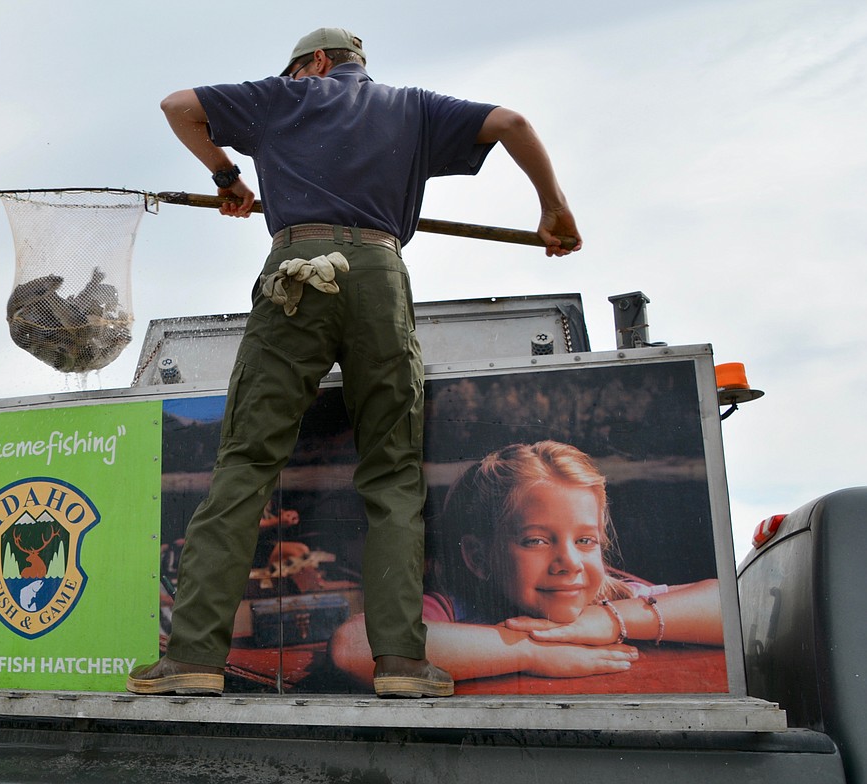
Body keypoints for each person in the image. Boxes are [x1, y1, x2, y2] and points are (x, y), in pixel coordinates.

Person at [127, 27, 582, 699]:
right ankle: (400, 663)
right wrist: (553, 206)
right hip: (378, 271)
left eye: (294, 71)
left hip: (295, 268)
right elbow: (511, 122)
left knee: (247, 464)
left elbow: (177, 107)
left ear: (313, 64)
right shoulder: (415, 107)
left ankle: (193, 656)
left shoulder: (286, 98)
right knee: (393, 477)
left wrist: (227, 176)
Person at [329, 441, 723, 685]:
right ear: (479, 558)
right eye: (536, 540)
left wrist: (607, 621)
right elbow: (353, 647)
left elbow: (729, 605)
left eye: (586, 540)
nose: (569, 562)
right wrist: (531, 650)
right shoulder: (454, 607)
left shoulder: (612, 597)